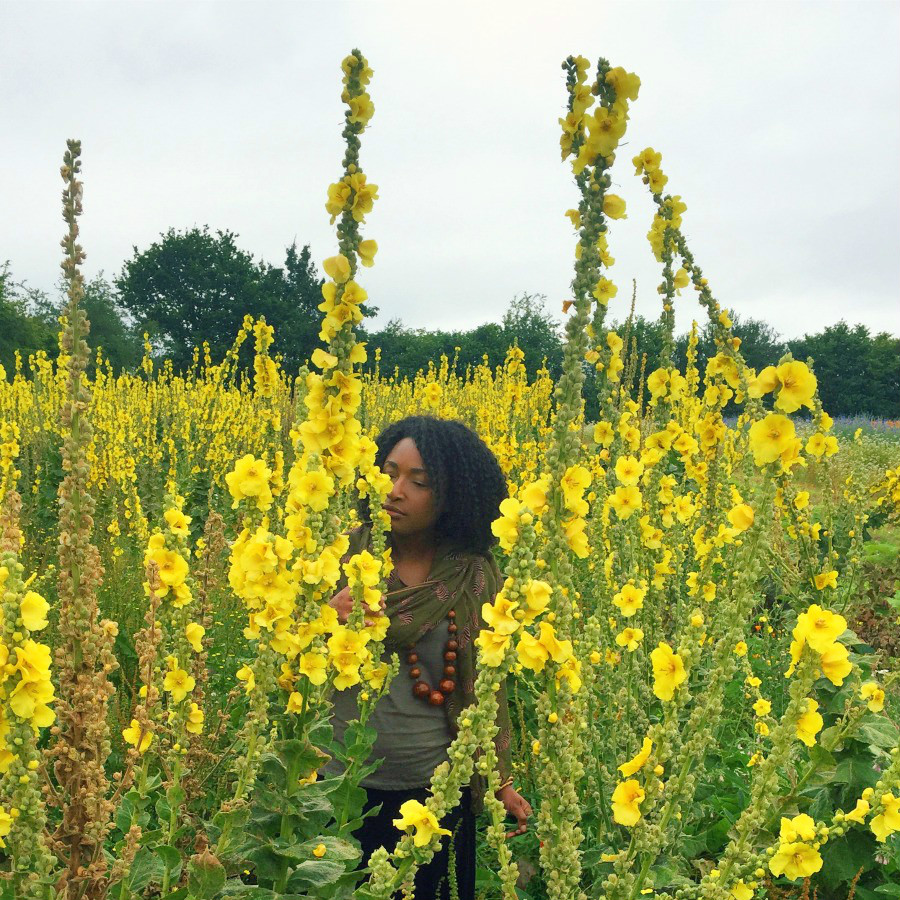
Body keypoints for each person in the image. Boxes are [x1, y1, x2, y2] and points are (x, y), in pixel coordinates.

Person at [325, 415, 531, 900]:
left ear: (452, 496)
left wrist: (498, 782)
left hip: (437, 787)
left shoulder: (474, 574)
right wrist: (326, 618)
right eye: (389, 473)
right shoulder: (340, 554)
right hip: (340, 784)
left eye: (418, 482)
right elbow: (285, 652)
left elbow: (487, 683)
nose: (396, 491)